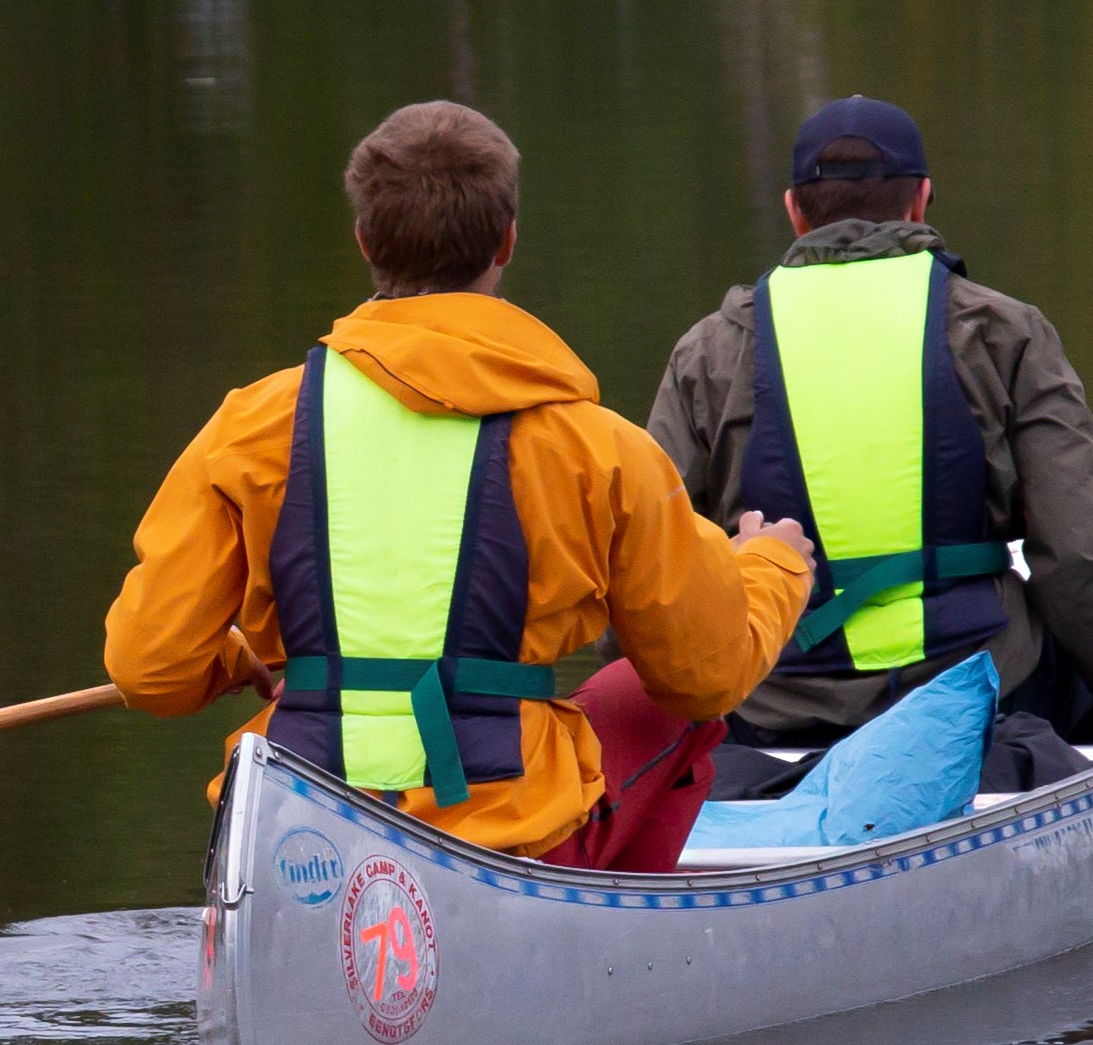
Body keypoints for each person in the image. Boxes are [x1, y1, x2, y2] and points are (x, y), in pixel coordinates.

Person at [103, 101, 814, 872]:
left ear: (365, 242)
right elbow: (702, 676)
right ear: (506, 241)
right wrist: (772, 567)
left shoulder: (249, 426)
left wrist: (252, 660)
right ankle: (617, 952)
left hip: (299, 831)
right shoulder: (602, 449)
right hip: (506, 832)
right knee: (655, 702)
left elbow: (151, 673)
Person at [648, 95, 1093, 778]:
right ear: (921, 202)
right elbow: (1080, 555)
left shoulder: (707, 350)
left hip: (769, 707)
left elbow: (648, 567)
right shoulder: (1004, 332)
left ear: (793, 211)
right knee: (1090, 659)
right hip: (978, 694)